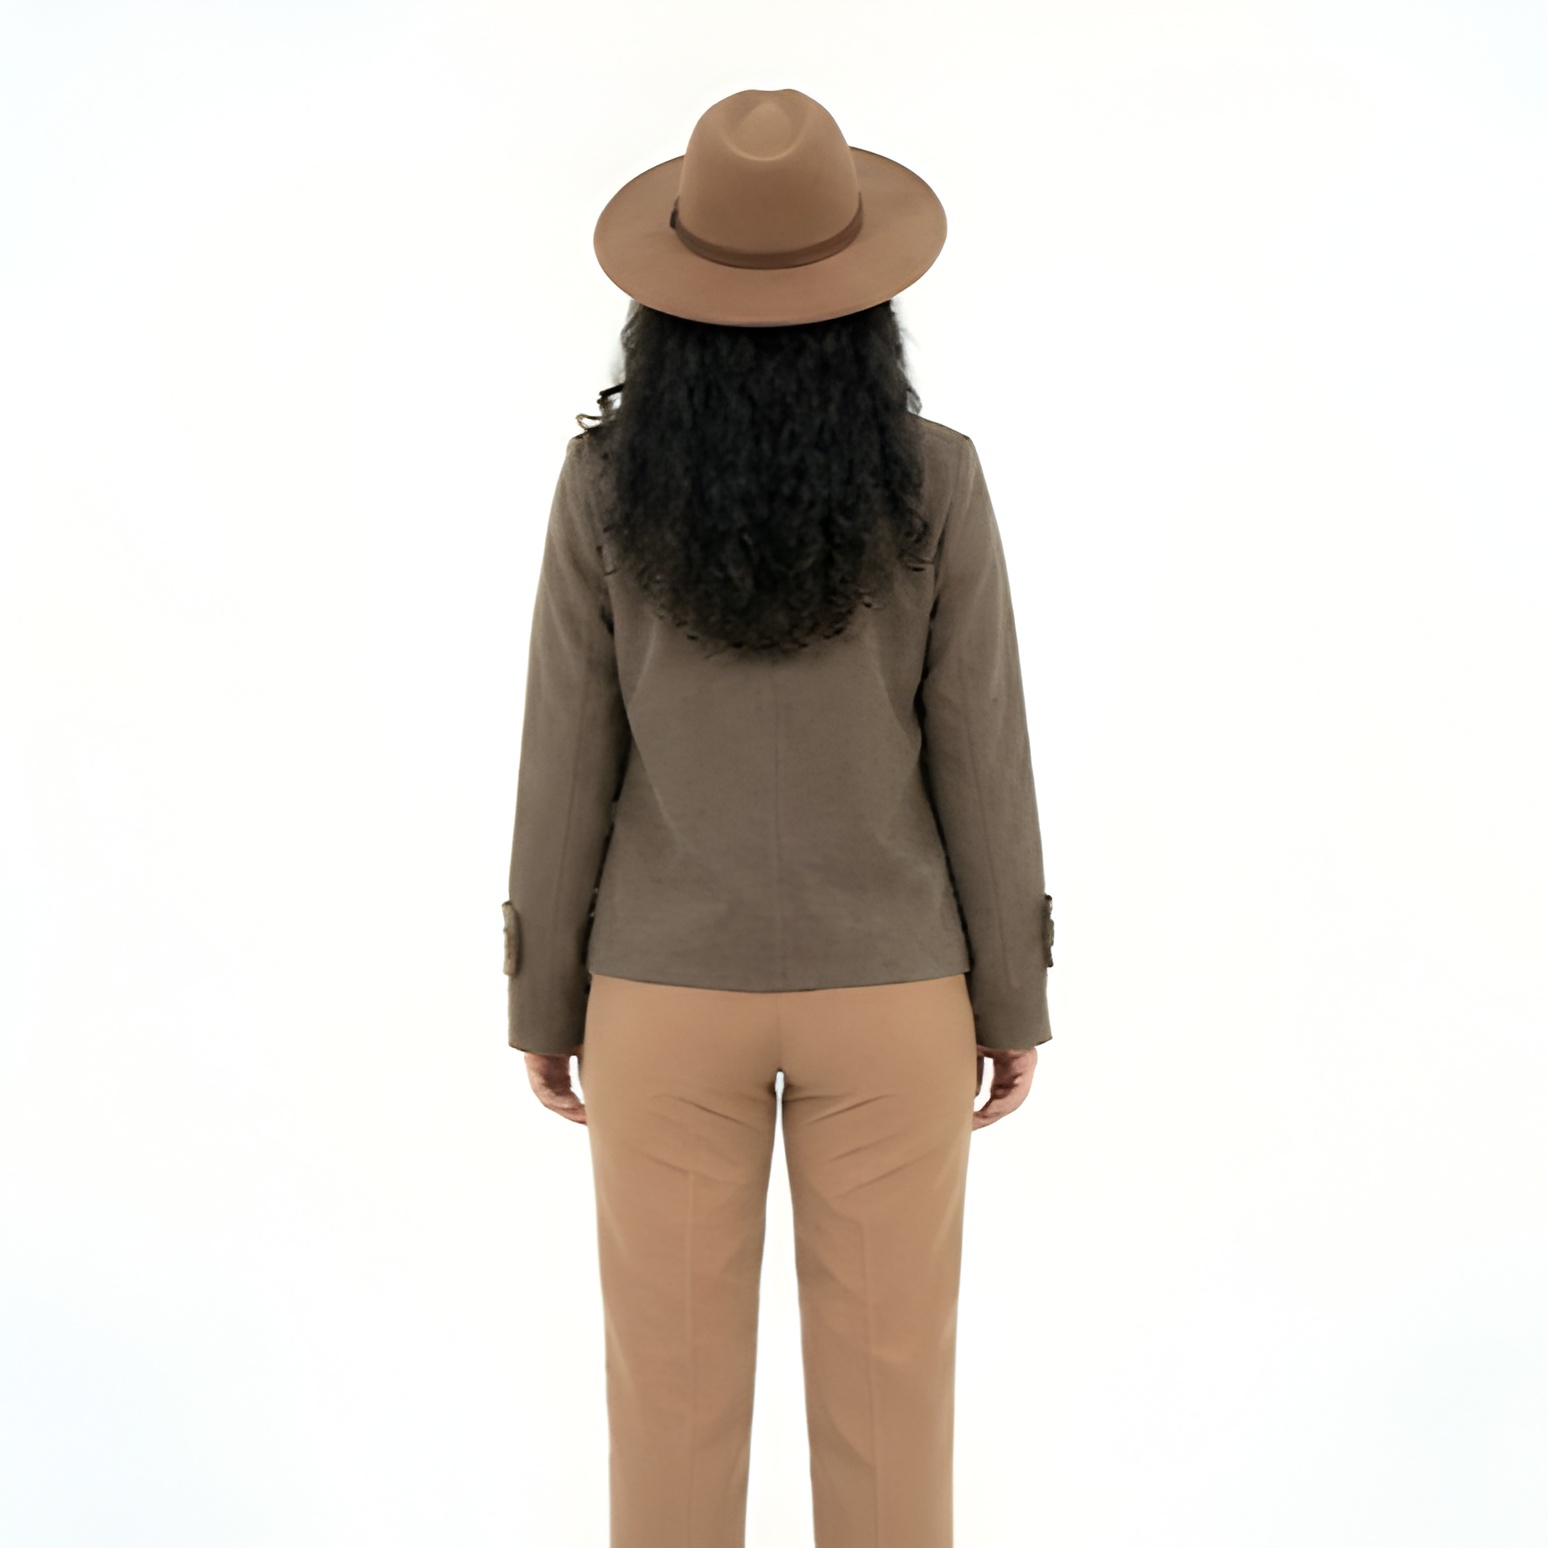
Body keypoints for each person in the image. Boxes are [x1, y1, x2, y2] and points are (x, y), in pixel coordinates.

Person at [502, 87, 1054, 1548]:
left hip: (662, 989)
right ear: (867, 300)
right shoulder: (935, 477)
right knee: (892, 1408)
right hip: (895, 988)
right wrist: (1012, 994)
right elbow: (981, 751)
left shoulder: (606, 484)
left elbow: (567, 754)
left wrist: (544, 1000)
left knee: (668, 1422)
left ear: (664, 302)